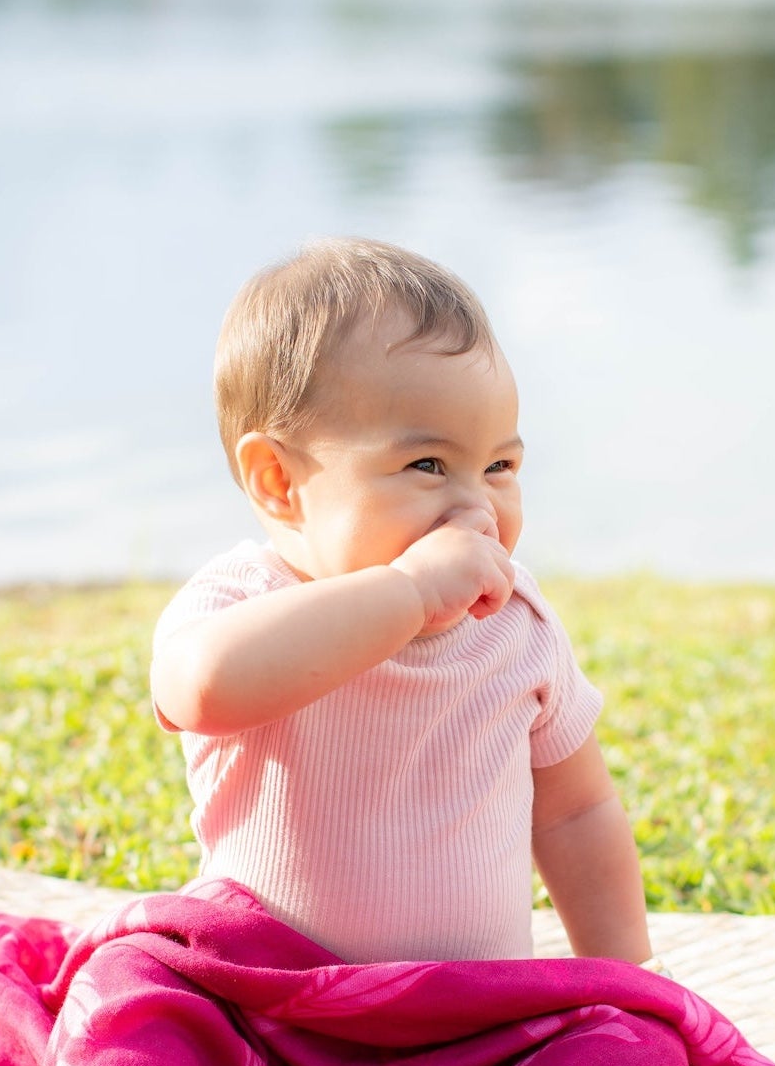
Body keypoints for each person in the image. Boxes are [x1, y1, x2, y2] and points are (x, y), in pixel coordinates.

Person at [150, 238, 652, 967]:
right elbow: (200, 688)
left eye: (500, 466)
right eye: (427, 465)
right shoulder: (248, 600)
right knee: (136, 1015)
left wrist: (629, 978)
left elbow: (577, 813)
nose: (477, 506)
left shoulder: (516, 621)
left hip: (470, 1024)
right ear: (278, 482)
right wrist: (408, 592)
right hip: (268, 1011)